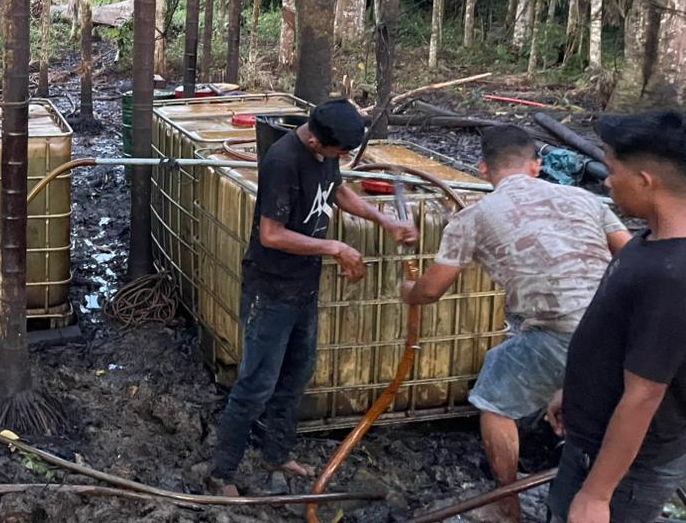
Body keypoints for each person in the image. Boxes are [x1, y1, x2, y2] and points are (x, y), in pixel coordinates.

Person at [401, 124, 630, 522]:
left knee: (494, 397)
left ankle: (507, 502)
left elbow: (431, 289)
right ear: (536, 166)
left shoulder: (473, 218)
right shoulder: (585, 199)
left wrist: (408, 291)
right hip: (622, 328)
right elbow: (629, 255)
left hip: (560, 333)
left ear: (483, 170)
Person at [208, 99, 418, 495]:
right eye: (339, 152)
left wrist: (385, 220)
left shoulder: (324, 153)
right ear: (315, 142)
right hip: (270, 290)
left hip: (303, 286)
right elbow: (271, 234)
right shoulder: (282, 161)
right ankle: (222, 474)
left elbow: (337, 190)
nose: (342, 159)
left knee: (297, 374)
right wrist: (335, 248)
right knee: (255, 386)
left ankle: (276, 453)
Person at [545, 111, 686, 523]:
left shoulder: (672, 276)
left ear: (645, 181)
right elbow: (616, 336)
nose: (607, 182)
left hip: (626, 469)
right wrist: (574, 391)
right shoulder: (651, 242)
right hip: (596, 440)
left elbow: (645, 395)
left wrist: (596, 494)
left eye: (612, 171)